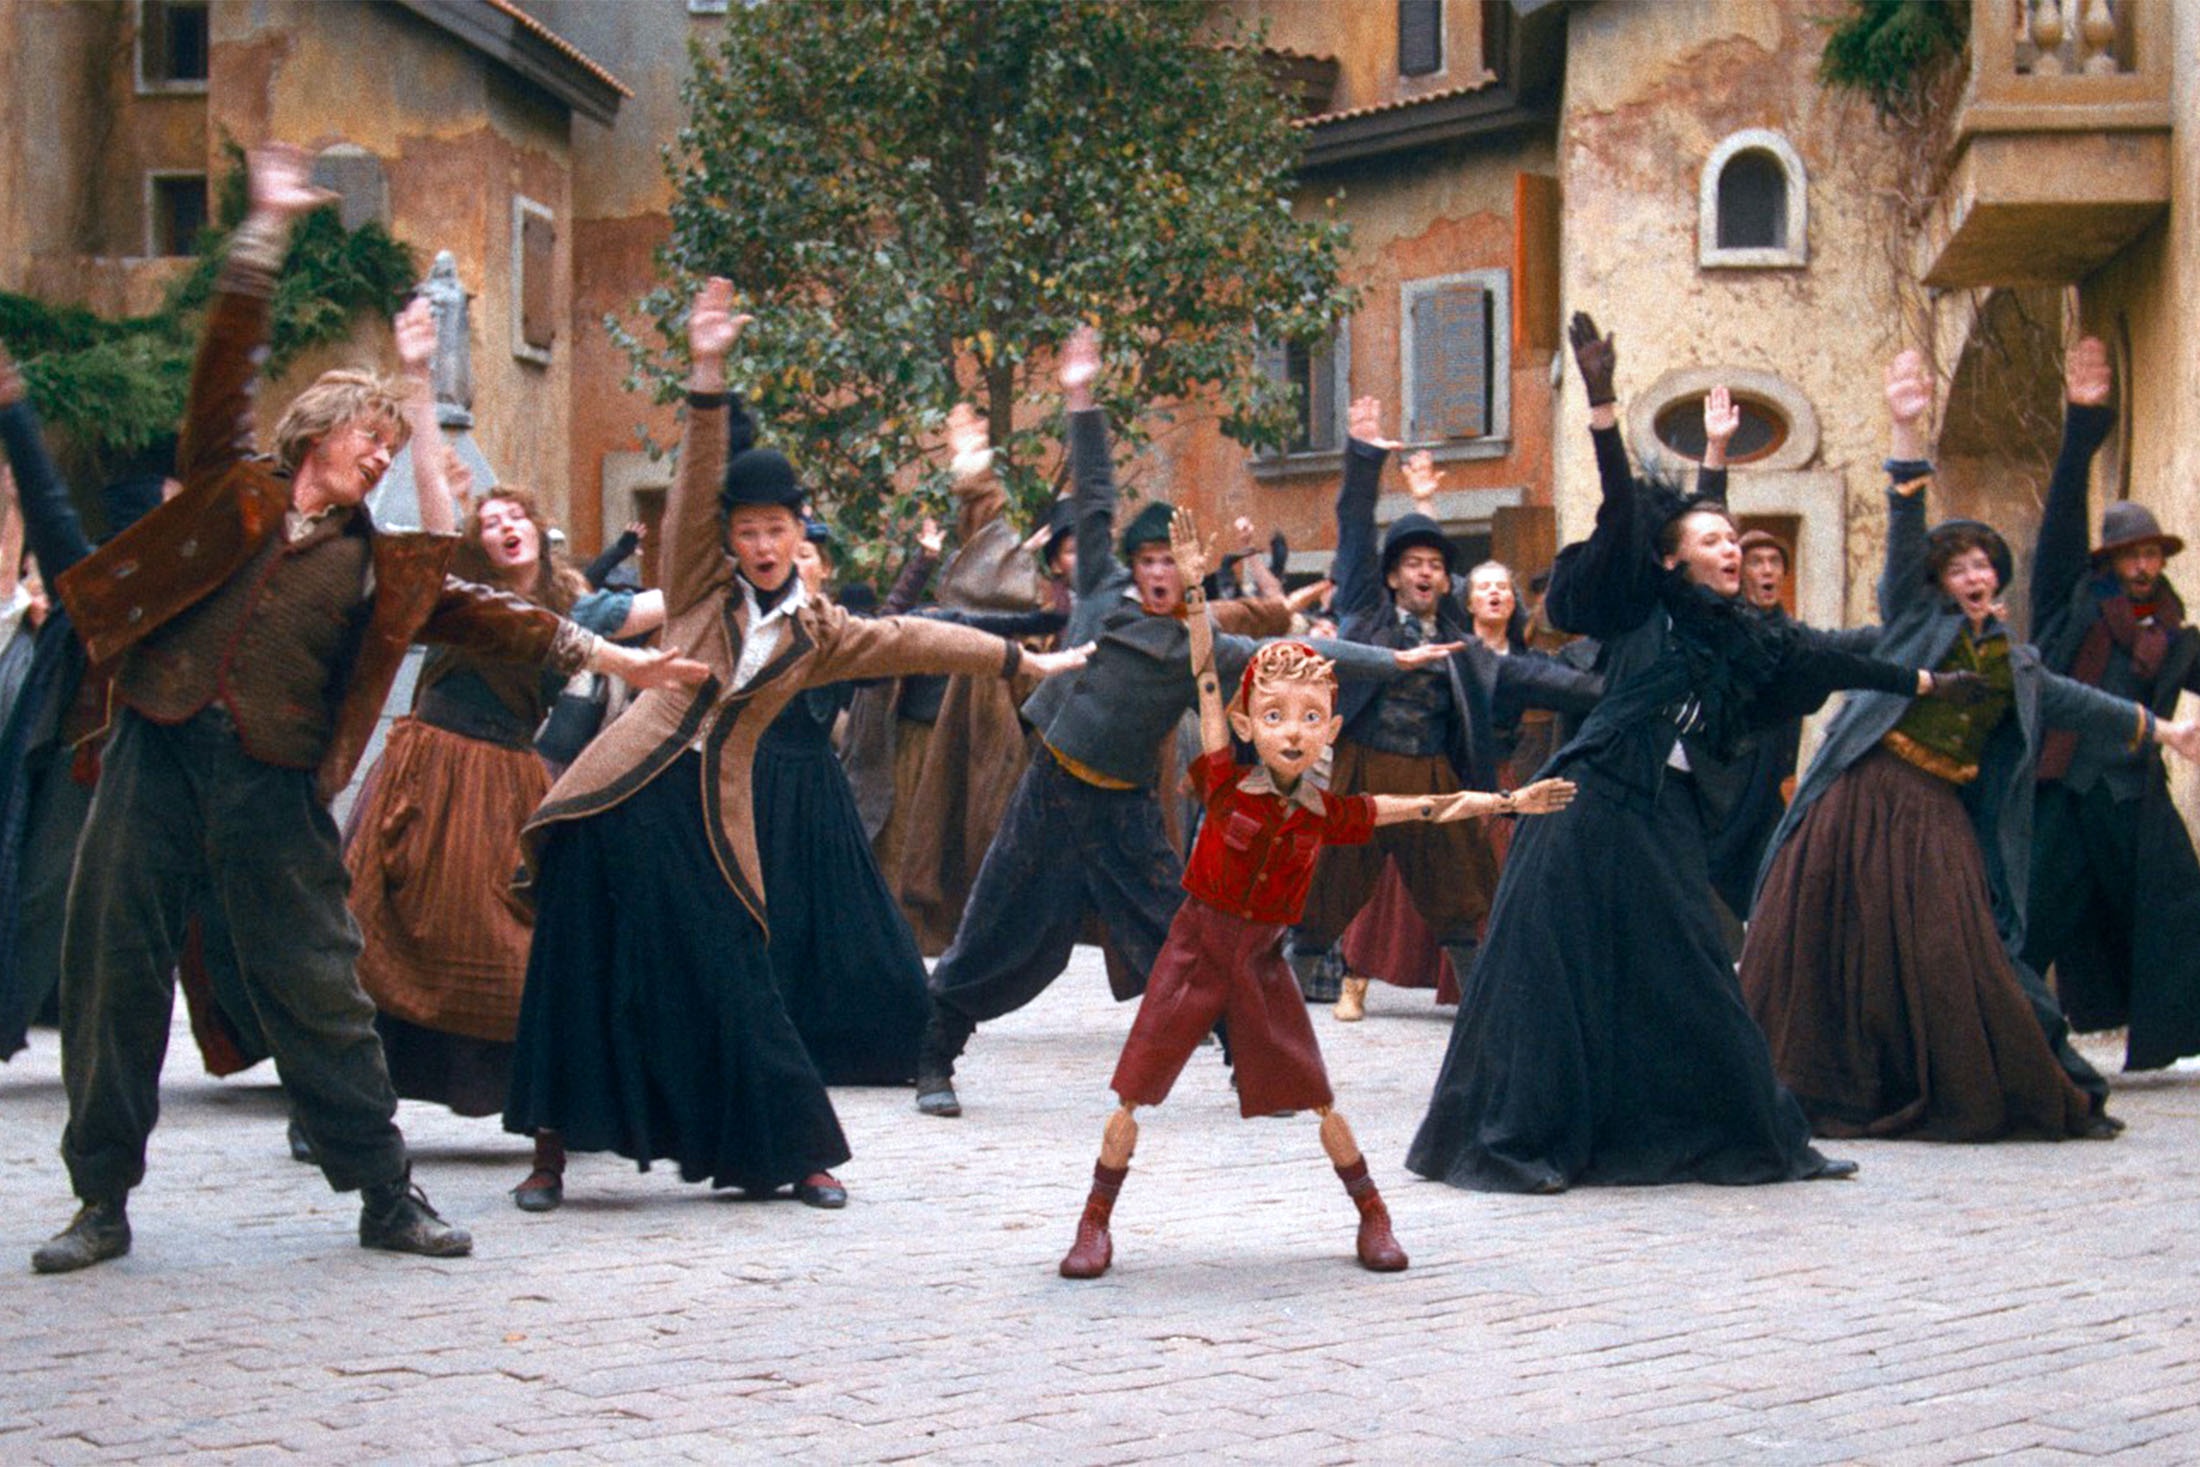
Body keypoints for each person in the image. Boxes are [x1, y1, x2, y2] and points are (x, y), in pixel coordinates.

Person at [29, 144, 703, 1274]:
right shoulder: (229, 489)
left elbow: (495, 616)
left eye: (391, 444)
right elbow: (223, 366)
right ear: (315, 433)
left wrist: (610, 657)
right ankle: (100, 1200)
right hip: (154, 749)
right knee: (113, 977)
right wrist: (261, 234)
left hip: (271, 782)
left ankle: (386, 1194)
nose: (382, 454)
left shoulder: (376, 565)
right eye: (369, 438)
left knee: (320, 988)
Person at [502, 278, 1085, 1213]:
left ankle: (801, 1156)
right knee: (580, 962)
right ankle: (548, 1157)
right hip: (619, 798)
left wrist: (1023, 660)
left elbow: (913, 636)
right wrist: (706, 373)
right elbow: (697, 473)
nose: (763, 544)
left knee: (739, 972)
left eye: (777, 529)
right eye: (748, 530)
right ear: (729, 539)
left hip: (711, 820)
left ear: (797, 533)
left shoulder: (818, 631)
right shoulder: (699, 583)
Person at [1405, 314, 1971, 1196]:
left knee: (1699, 974)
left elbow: (1838, 659)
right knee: (1551, 970)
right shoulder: (1640, 605)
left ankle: (1764, 1138)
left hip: (1661, 815)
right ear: (1671, 562)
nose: (1731, 548)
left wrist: (1925, 683)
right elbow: (1628, 517)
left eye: (1734, 540)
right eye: (1713, 541)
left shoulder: (1749, 640)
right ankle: (1522, 1138)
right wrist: (1602, 409)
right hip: (1585, 804)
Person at [912, 330, 1447, 1119]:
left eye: (1174, 560)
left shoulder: (1203, 639)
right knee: (996, 929)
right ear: (1134, 565)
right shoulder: (1102, 591)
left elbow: (1290, 651)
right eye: (1150, 559)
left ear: (1189, 569)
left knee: (1187, 935)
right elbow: (1096, 491)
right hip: (1050, 790)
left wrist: (1390, 660)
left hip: (1126, 807)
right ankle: (933, 1059)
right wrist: (1080, 396)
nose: (1161, 571)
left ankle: (1250, 1063)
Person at [1059, 509, 1574, 1278]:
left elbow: (1424, 807)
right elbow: (1204, 672)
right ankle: (1093, 1222)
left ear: (1330, 729)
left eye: (1308, 719)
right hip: (1194, 952)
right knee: (1133, 1094)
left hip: (1262, 964)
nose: (1292, 732)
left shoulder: (1325, 812)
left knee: (1320, 1097)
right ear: (1247, 723)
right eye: (1274, 717)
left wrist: (1508, 801)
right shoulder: (1224, 779)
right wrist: (1195, 590)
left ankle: (1373, 1213)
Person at [1740, 350, 2200, 1143]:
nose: (1977, 574)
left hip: (1938, 812)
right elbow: (1904, 538)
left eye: (1986, 564)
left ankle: (1968, 1076)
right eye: (1961, 568)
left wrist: (2166, 730)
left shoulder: (2014, 660)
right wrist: (1905, 430)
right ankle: (1804, 1084)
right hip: (1863, 801)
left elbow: (2079, 702)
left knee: (1963, 949)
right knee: (1827, 947)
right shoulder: (1913, 623)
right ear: (1942, 584)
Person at [344, 477, 656, 1136]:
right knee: (377, 925)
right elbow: (436, 518)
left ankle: (553, 1097)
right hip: (428, 767)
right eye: (490, 521)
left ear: (539, 530)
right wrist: (422, 418)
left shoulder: (577, 608)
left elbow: (666, 599)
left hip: (509, 776)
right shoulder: (462, 590)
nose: (506, 526)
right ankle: (339, 1098)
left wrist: (724, 548)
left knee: (525, 939)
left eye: (516, 515)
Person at [1292, 400, 1600, 1025]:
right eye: (1413, 564)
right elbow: (1354, 528)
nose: (1426, 572)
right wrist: (1363, 456)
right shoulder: (1365, 613)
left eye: (1435, 565)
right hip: (1361, 772)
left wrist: (1611, 690)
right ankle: (1274, 1001)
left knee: (1462, 893)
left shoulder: (1462, 641)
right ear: (1393, 577)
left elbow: (1529, 674)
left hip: (1432, 775)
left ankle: (1483, 1009)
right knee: (1323, 889)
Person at [2022, 336, 2200, 1072]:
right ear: (2110, 560)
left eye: (2152, 554)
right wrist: (2083, 424)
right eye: (2132, 554)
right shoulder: (2072, 602)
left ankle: (2167, 1038)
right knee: (2034, 916)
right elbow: (2062, 518)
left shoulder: (2175, 631)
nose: (2144, 565)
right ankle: (2004, 1035)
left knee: (2176, 904)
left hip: (2132, 794)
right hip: (2063, 787)